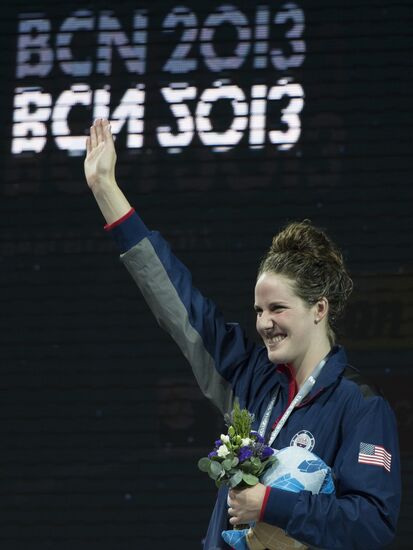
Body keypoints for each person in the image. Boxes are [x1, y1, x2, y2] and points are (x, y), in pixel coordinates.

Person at [84, 119, 401, 549]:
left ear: (319, 309)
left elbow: (372, 525)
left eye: (278, 308)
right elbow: (180, 306)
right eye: (258, 310)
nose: (264, 323)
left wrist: (270, 504)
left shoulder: (360, 406)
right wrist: (106, 190)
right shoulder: (252, 379)